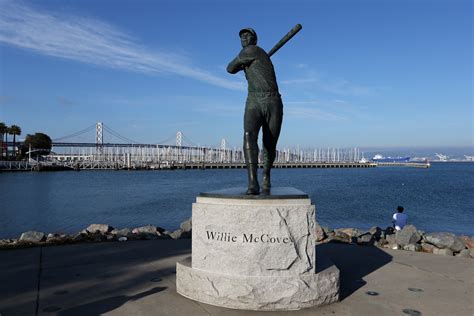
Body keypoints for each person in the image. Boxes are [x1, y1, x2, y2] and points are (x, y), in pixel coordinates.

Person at [227, 28, 283, 195]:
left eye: (247, 35)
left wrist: (242, 63)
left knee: (270, 143)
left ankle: (266, 173)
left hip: (273, 100)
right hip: (254, 100)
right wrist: (244, 64)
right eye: (241, 36)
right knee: (248, 135)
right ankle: (253, 182)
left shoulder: (252, 51)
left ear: (254, 39)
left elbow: (230, 68)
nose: (244, 38)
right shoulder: (254, 54)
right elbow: (231, 69)